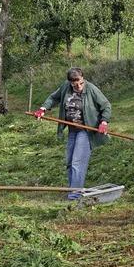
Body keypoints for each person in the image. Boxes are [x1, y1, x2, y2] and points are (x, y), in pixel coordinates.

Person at [33, 67, 112, 199]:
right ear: (70, 82)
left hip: (86, 130)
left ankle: (75, 195)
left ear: (83, 79)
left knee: (77, 162)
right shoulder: (65, 88)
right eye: (75, 84)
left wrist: (104, 122)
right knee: (70, 162)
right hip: (72, 130)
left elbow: (106, 105)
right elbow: (53, 98)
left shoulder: (91, 89)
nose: (79, 86)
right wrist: (43, 108)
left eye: (81, 83)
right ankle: (74, 190)